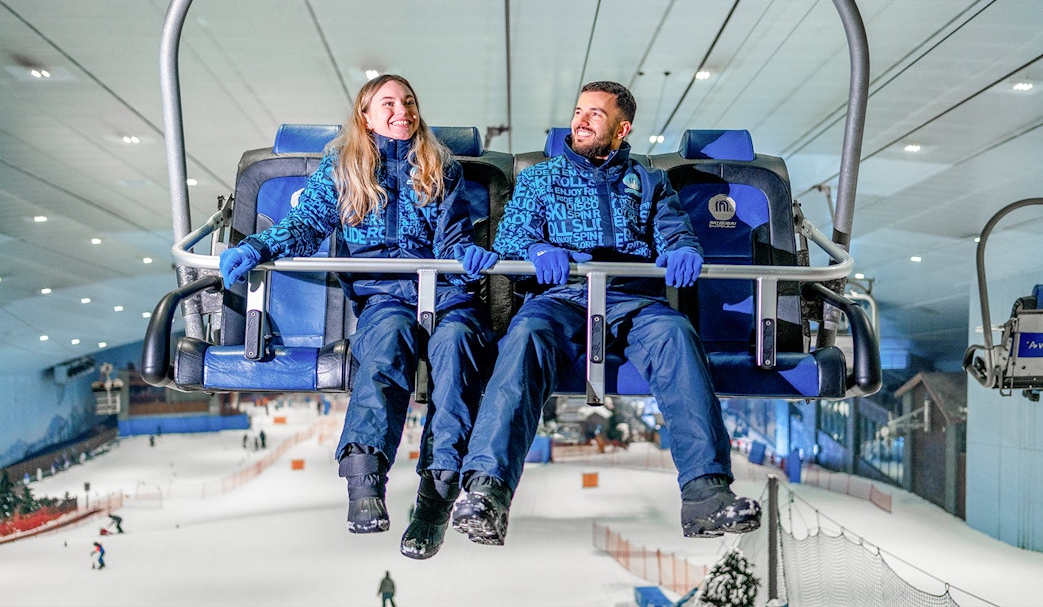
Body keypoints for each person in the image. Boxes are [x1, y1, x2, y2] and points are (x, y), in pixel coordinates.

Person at [451, 81, 761, 545]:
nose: (581, 120)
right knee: (524, 340)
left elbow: (675, 232)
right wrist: (535, 248)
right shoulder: (543, 177)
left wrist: (681, 249)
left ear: (622, 128)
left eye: (596, 113)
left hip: (633, 299)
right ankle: (487, 490)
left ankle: (706, 492)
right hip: (560, 298)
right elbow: (509, 240)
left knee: (676, 336)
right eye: (579, 111)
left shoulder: (650, 181)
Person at [219, 74, 497, 560]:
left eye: (409, 102)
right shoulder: (343, 168)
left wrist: (467, 255)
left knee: (457, 350)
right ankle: (364, 480)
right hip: (384, 295)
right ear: (365, 116)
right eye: (388, 103)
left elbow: (452, 239)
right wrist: (262, 244)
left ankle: (435, 500)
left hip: (447, 292)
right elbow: (307, 224)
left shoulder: (440, 167)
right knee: (385, 347)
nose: (402, 111)